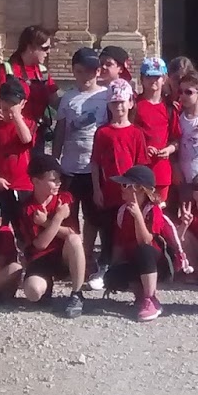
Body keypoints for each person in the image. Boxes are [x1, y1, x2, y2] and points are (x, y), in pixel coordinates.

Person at [53, 47, 110, 290]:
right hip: (69, 167)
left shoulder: (106, 96)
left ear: (97, 72)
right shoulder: (68, 98)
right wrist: (54, 161)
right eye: (80, 71)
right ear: (73, 71)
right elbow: (60, 131)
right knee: (69, 215)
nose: (85, 76)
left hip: (94, 168)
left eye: (90, 71)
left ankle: (86, 256)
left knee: (93, 217)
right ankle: (73, 259)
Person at [105, 164, 185, 322]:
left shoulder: (153, 210)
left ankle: (151, 299)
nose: (121, 188)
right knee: (112, 276)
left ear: (139, 189)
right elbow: (119, 245)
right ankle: (140, 296)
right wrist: (114, 271)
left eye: (125, 185)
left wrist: (137, 216)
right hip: (138, 261)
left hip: (158, 264)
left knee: (143, 250)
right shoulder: (123, 211)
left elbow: (146, 240)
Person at [18, 154, 88, 318]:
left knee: (74, 240)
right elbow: (40, 244)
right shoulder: (28, 208)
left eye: (59, 179)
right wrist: (57, 218)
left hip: (62, 256)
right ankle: (46, 286)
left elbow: (72, 234)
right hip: (39, 259)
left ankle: (77, 293)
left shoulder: (64, 199)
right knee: (33, 292)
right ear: (36, 181)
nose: (58, 183)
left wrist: (46, 223)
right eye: (52, 180)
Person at [92, 78, 149, 268]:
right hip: (109, 191)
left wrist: (139, 193)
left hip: (130, 192)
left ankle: (127, 264)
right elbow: (95, 163)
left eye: (122, 102)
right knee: (108, 229)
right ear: (109, 105)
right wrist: (96, 189)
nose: (119, 106)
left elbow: (141, 165)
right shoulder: (102, 132)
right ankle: (106, 265)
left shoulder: (136, 133)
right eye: (114, 102)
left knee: (128, 229)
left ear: (130, 103)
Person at [0, 25, 59, 151]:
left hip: (36, 135)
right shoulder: (7, 70)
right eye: (45, 48)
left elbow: (56, 102)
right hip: (11, 137)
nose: (48, 52)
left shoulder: (42, 72)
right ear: (30, 47)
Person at [0, 79, 35, 225]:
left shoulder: (29, 124)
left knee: (24, 228)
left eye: (12, 108)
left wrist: (16, 116)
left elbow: (26, 139)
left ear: (23, 104)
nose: (9, 113)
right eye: (5, 109)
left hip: (24, 187)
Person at [133, 57, 176, 205]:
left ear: (164, 79)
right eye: (149, 77)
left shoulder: (169, 108)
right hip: (139, 170)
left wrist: (168, 150)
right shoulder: (134, 106)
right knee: (137, 211)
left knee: (158, 212)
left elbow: (176, 139)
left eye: (157, 77)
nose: (153, 81)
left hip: (161, 171)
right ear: (142, 79)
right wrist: (143, 149)